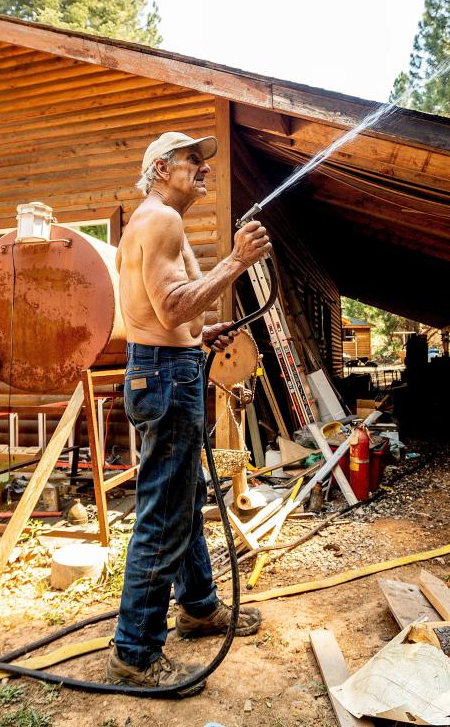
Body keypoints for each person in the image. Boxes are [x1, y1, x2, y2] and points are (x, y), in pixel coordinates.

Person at [105, 131, 271, 694]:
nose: (203, 168)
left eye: (204, 161)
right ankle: (135, 653)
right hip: (166, 378)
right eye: (191, 160)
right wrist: (236, 261)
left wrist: (200, 337)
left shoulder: (148, 221)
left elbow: (158, 313)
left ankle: (198, 608)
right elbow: (172, 303)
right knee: (163, 511)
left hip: (160, 365)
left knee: (182, 495)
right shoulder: (163, 222)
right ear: (158, 169)